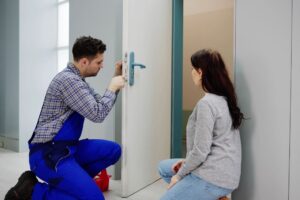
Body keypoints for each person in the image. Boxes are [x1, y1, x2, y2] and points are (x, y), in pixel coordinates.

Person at [5, 36, 126, 200]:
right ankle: (32, 192)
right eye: (98, 62)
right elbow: (98, 114)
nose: (102, 66)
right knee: (94, 199)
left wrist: (115, 79)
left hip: (68, 149)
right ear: (84, 62)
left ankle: (73, 184)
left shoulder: (78, 80)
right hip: (48, 154)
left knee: (113, 150)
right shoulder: (69, 81)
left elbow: (100, 102)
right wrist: (112, 87)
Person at [158, 49, 244, 200]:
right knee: (164, 167)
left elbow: (200, 151)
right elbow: (204, 148)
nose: (191, 72)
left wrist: (179, 176)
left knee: (170, 187)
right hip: (226, 173)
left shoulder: (207, 104)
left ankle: (203, 192)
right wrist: (187, 163)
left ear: (200, 72)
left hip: (213, 177)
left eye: (193, 68)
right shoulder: (224, 99)